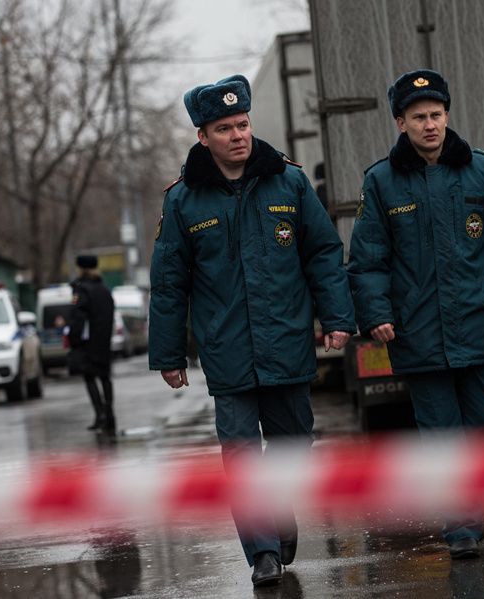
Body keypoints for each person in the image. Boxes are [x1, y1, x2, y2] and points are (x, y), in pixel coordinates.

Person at [149, 74, 356, 587]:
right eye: (224, 128)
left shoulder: (289, 183)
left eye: (242, 124)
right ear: (203, 137)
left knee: (293, 444)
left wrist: (337, 318)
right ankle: (262, 552)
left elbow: (323, 254)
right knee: (241, 457)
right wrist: (169, 354)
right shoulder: (183, 201)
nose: (238, 135)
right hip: (228, 352)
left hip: (287, 343)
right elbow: (170, 283)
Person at [347, 69, 484, 559]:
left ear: (447, 116)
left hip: (477, 326)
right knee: (441, 435)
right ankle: (462, 529)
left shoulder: (483, 171)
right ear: (401, 123)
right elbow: (368, 259)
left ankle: (476, 504)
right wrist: (376, 313)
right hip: (419, 334)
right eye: (418, 118)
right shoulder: (381, 181)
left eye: (436, 115)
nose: (429, 125)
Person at [68, 254, 116, 433]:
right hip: (103, 341)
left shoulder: (82, 290)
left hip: (87, 342)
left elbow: (78, 317)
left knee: (89, 377)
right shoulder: (104, 290)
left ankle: (100, 414)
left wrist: (74, 339)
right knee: (105, 376)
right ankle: (110, 414)